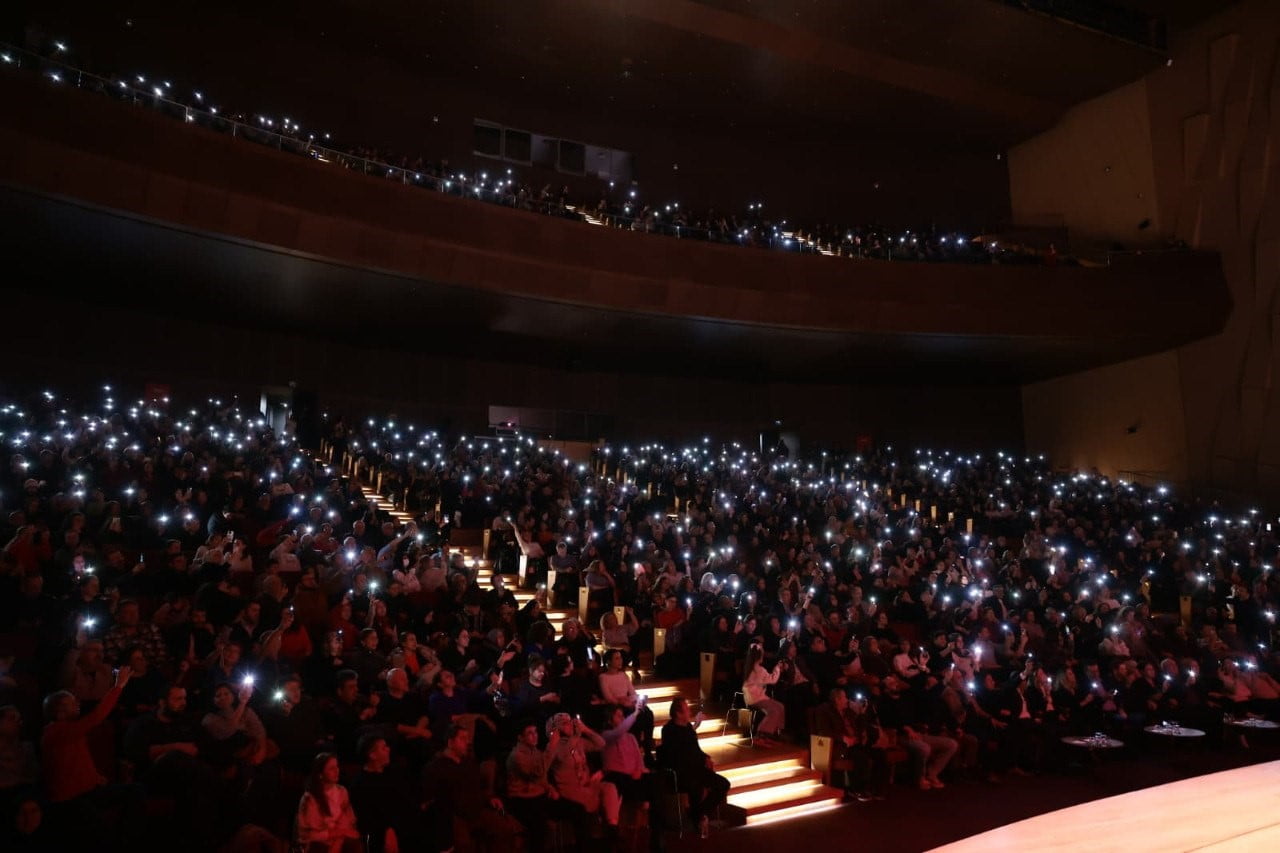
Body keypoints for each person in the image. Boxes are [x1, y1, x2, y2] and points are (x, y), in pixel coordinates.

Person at [421, 723, 518, 852]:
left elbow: (479, 788)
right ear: (450, 743)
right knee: (463, 844)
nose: (467, 742)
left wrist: (490, 798)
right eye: (462, 738)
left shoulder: (469, 763)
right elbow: (428, 799)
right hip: (455, 817)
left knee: (503, 828)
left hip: (477, 810)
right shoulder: (435, 768)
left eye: (468, 738)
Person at [505, 719, 592, 853]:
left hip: (539, 797)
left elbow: (541, 778)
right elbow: (538, 771)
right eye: (530, 733)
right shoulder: (517, 756)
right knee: (540, 826)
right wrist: (552, 744)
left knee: (578, 810)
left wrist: (549, 787)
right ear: (520, 738)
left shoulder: (536, 752)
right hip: (523, 801)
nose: (535, 735)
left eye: (535, 732)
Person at [657, 697, 729, 838]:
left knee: (723, 784)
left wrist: (705, 757)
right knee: (695, 786)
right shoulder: (669, 730)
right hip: (681, 772)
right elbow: (676, 754)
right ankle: (698, 819)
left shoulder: (688, 728)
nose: (689, 711)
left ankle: (698, 813)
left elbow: (696, 750)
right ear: (678, 713)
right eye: (686, 709)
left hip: (696, 770)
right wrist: (692, 728)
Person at [546, 711, 620, 840]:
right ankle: (596, 840)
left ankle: (612, 831)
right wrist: (576, 736)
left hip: (586, 786)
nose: (569, 725)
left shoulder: (578, 741)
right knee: (597, 803)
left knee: (609, 787)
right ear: (556, 729)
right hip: (571, 791)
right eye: (565, 723)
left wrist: (585, 729)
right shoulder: (553, 747)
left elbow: (601, 743)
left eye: (570, 722)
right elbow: (563, 755)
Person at [294, 752, 361, 853]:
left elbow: (348, 822)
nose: (336, 771)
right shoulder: (310, 798)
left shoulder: (342, 791)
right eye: (331, 768)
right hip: (318, 842)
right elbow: (308, 834)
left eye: (337, 767)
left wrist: (338, 840)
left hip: (339, 838)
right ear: (320, 774)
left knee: (354, 844)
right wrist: (337, 834)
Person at [599, 649, 655, 753]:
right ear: (609, 661)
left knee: (647, 713)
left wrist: (634, 700)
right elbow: (608, 697)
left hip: (628, 702)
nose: (620, 660)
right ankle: (635, 746)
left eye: (620, 658)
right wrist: (622, 701)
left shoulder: (623, 675)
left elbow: (632, 692)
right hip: (616, 706)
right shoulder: (603, 677)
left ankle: (647, 746)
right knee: (635, 717)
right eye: (616, 658)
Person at [742, 644, 785, 745]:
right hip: (756, 698)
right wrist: (777, 668)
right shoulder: (759, 670)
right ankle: (761, 734)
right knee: (774, 710)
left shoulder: (750, 667)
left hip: (753, 697)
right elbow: (773, 680)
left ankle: (772, 733)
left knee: (780, 706)